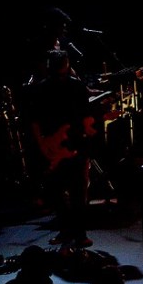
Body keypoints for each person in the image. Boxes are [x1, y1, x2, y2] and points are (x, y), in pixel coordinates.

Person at [20, 49, 100, 248]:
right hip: (75, 144)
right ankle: (79, 234)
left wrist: (42, 145)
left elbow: (34, 122)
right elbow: (86, 118)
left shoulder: (40, 88)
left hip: (54, 147)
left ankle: (67, 231)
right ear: (67, 64)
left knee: (55, 191)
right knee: (77, 192)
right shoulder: (76, 86)